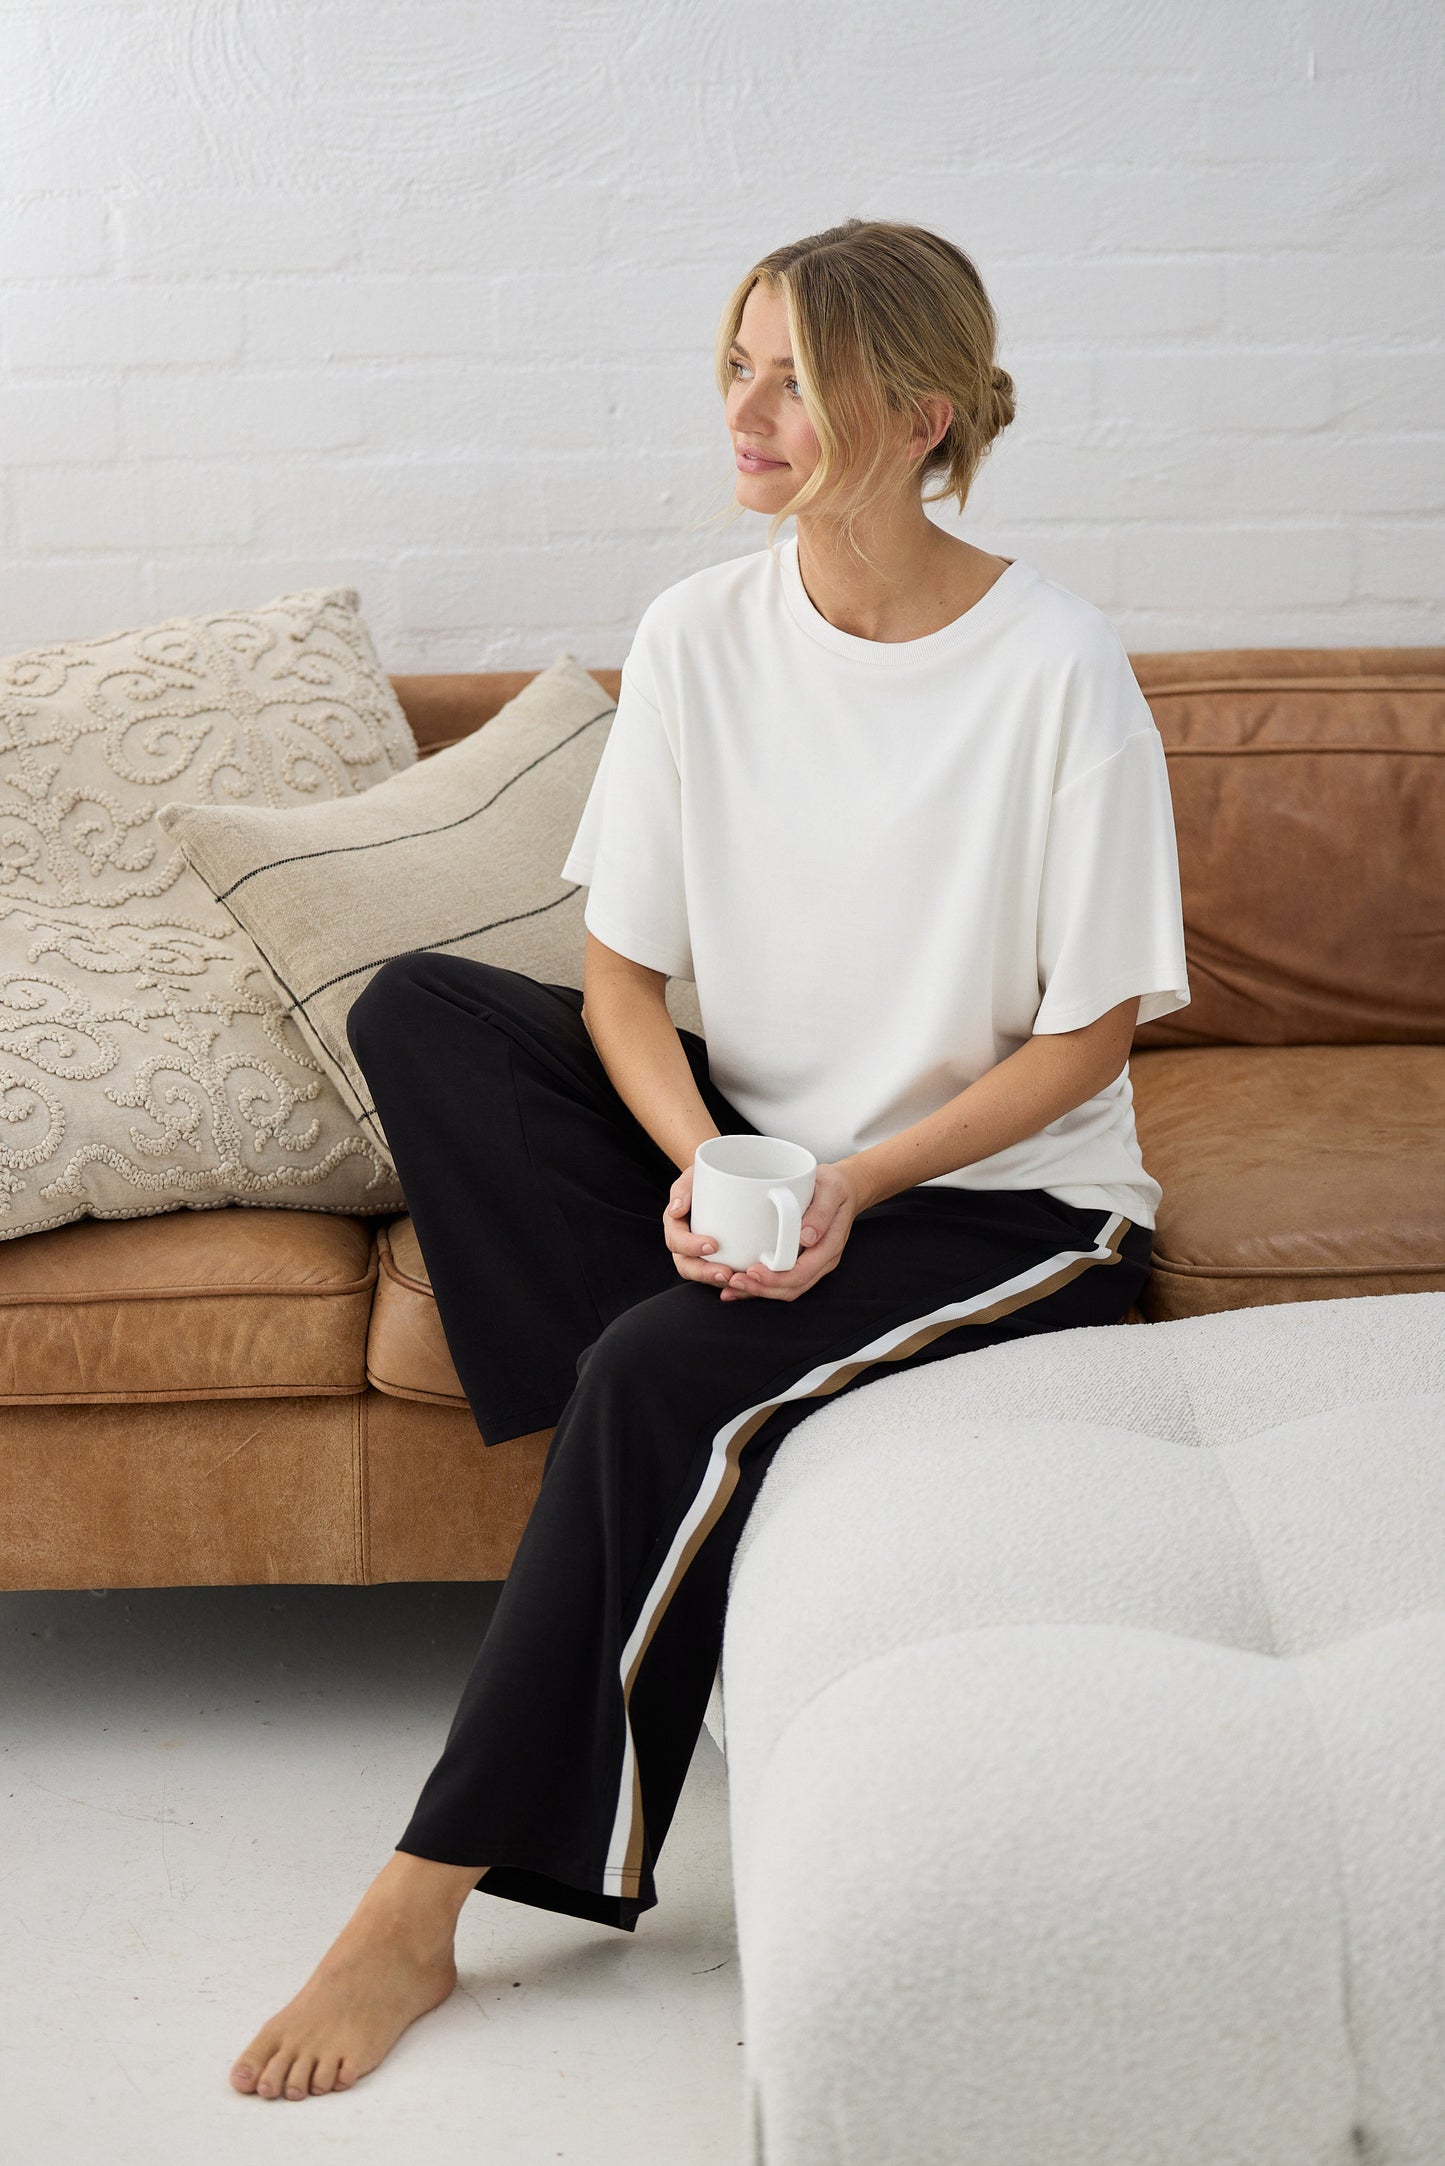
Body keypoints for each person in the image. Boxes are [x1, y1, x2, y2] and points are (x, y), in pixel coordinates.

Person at [229, 216, 1191, 2102]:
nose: (742, 412)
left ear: (915, 414)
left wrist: (849, 1183)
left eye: (789, 377)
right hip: (759, 1158)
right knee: (423, 1007)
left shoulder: (1057, 666)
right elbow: (616, 980)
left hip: (1003, 1201)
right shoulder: (695, 631)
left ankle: (421, 1904)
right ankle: (668, 1416)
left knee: (660, 1364)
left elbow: (1089, 1035)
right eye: (731, 364)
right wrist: (707, 1159)